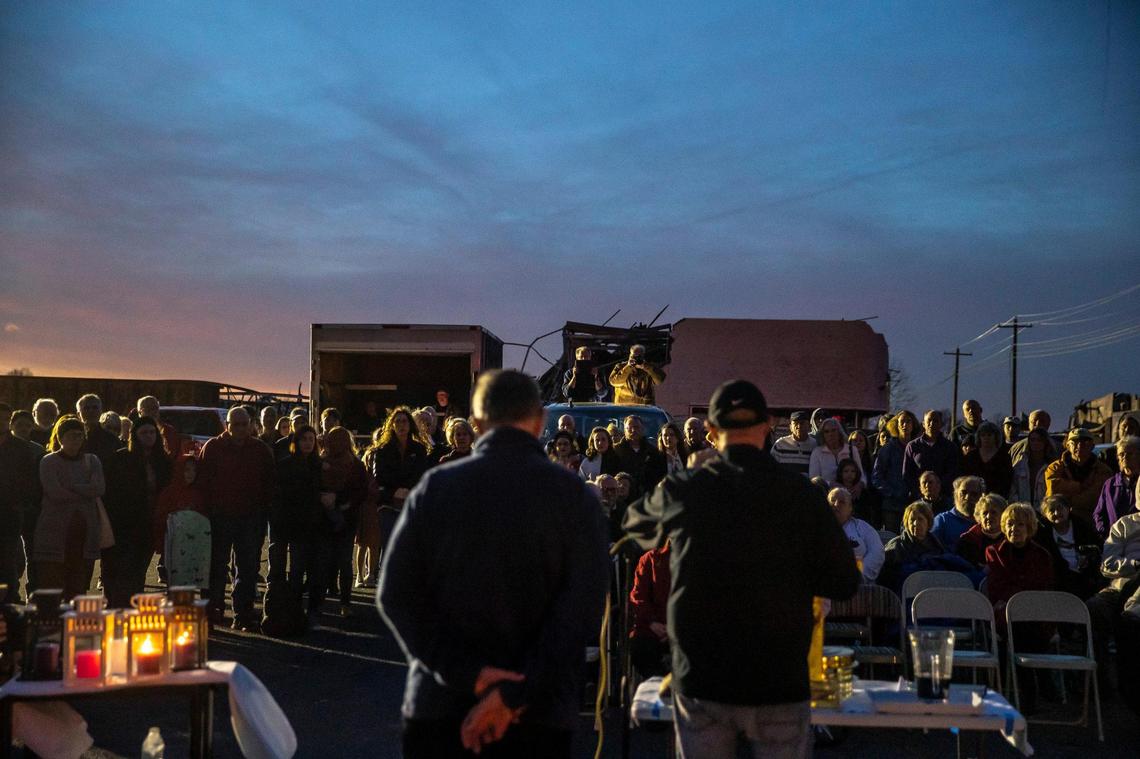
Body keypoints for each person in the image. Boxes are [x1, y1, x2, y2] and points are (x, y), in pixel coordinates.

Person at [623, 379, 860, 758]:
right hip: (779, 678)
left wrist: (686, 474)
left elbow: (635, 526)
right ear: (768, 425)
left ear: (712, 432)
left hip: (703, 678)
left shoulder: (689, 487)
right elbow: (845, 581)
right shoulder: (800, 494)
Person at [378, 370, 609, 758]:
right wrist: (515, 693)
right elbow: (582, 610)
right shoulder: (574, 498)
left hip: (441, 707)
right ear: (539, 422)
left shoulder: (435, 489)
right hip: (538, 715)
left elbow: (396, 594)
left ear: (476, 423)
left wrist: (466, 674)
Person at [197, 406, 275, 630]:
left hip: (249, 518)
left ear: (250, 424)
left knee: (247, 568)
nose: (240, 428)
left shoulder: (259, 449)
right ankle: (213, 611)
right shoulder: (213, 447)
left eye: (244, 424)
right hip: (219, 517)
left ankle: (242, 613)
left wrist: (263, 511)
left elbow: (270, 482)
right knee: (215, 567)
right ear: (227, 425)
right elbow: (203, 481)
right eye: (235, 424)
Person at [986, 502, 1055, 710]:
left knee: (1025, 628)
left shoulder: (1042, 556)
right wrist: (1019, 595)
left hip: (1035, 614)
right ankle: (1040, 683)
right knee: (1018, 627)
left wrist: (1020, 594)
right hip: (1006, 613)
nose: (1014, 529)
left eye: (1020, 525)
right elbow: (997, 586)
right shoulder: (994, 552)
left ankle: (1031, 690)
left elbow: (1041, 586)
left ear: (1030, 528)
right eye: (1010, 524)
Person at [101, 416, 172, 608]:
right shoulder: (120, 459)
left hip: (149, 524)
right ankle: (116, 609)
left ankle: (132, 609)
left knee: (138, 571)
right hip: (123, 524)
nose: (148, 436)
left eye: (152, 432)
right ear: (135, 435)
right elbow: (110, 492)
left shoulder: (163, 462)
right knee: (120, 570)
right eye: (143, 433)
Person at [35, 417, 105, 600]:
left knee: (79, 589)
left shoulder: (93, 460)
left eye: (80, 435)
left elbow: (99, 488)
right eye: (72, 435)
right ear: (61, 437)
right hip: (54, 535)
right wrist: (84, 490)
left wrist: (72, 486)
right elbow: (55, 492)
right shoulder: (48, 462)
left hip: (84, 536)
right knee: (53, 589)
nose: (76, 439)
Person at [1086, 480, 1140, 708]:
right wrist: (1134, 564)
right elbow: (1107, 564)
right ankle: (1100, 684)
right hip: (1123, 585)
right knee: (1093, 607)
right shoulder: (1125, 525)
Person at [273, 425, 324, 617]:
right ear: (296, 442)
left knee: (314, 572)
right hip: (295, 524)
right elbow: (286, 494)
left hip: (315, 525)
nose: (308, 443)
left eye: (311, 439)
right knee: (296, 570)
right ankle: (294, 612)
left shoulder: (319, 465)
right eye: (304, 439)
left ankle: (312, 611)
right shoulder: (286, 465)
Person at [317, 427, 368, 617]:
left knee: (341, 561)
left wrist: (337, 500)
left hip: (343, 517)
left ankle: (341, 601)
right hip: (330, 517)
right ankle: (333, 602)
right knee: (331, 561)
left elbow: (360, 490)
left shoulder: (352, 464)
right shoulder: (347, 463)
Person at [370, 407, 429, 564]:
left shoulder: (419, 449)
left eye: (404, 421)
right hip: (388, 502)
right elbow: (380, 475)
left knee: (409, 546)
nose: (401, 425)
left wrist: (407, 489)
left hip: (411, 502)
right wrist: (396, 490)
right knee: (390, 545)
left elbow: (421, 473)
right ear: (392, 425)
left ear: (410, 425)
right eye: (397, 422)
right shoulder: (382, 450)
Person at [1, 403, 41, 603]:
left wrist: (20, 502)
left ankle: (10, 596)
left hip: (10, 511)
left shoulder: (20, 447)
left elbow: (29, 480)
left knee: (8, 556)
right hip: (11, 508)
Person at [1035, 494, 1102, 599]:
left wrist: (1087, 559)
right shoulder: (1042, 533)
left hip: (1085, 577)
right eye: (1051, 510)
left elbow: (1096, 548)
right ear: (1045, 515)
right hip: (1059, 579)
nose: (1056, 513)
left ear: (1068, 509)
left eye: (1060, 508)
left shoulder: (1082, 526)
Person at [1045, 428, 1112, 528]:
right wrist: (1081, 487)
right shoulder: (1054, 468)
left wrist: (1068, 500)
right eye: (1075, 442)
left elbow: (1095, 497)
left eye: (1085, 442)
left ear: (1092, 446)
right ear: (1067, 445)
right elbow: (1053, 491)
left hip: (1091, 524)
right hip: (1059, 523)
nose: (1080, 445)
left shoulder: (1103, 470)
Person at [879, 501, 947, 593]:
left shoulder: (937, 546)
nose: (915, 523)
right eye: (912, 520)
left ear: (928, 523)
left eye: (920, 519)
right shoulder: (896, 546)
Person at [629, 541, 671, 677]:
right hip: (652, 629)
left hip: (683, 630)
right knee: (641, 648)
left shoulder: (695, 560)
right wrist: (652, 622)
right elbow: (638, 596)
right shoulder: (650, 559)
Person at [829, 487, 884, 582]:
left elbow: (877, 551)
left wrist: (858, 573)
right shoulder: (818, 528)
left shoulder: (863, 528)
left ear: (850, 508)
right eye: (832, 500)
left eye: (842, 502)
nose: (836, 504)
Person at [903, 409, 959, 501]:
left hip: (943, 499)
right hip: (918, 498)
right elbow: (907, 474)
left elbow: (953, 472)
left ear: (941, 424)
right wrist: (919, 491)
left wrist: (938, 489)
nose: (932, 423)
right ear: (923, 424)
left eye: (935, 421)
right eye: (929, 420)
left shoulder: (950, 447)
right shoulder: (913, 446)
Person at [872, 412, 913, 532]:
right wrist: (892, 492)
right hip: (892, 506)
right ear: (897, 425)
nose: (905, 425)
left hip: (913, 503)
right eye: (902, 422)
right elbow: (876, 477)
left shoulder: (917, 447)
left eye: (908, 421)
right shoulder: (888, 449)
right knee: (892, 539)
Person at [1093, 435, 1139, 538]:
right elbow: (1099, 513)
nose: (1125, 458)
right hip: (1115, 540)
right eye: (1121, 454)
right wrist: (1107, 533)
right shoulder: (1110, 484)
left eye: (1130, 454)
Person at [612, 415, 666, 499]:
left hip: (646, 497)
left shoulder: (652, 451)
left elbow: (658, 475)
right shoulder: (616, 450)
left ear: (642, 429)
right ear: (624, 430)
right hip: (622, 497)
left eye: (636, 427)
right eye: (629, 428)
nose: (633, 430)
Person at [930, 476, 985, 553]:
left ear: (981, 497)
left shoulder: (986, 522)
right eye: (963, 492)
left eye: (974, 494)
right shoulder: (942, 521)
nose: (967, 497)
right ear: (955, 494)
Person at [955, 493, 1007, 569]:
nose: (988, 517)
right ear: (979, 517)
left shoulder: (1011, 540)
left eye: (993, 512)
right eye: (985, 513)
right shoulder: (967, 541)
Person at [961, 421, 1013, 497]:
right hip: (972, 497)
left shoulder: (1004, 457)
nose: (986, 438)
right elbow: (964, 477)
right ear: (979, 437)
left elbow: (1007, 482)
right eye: (983, 435)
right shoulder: (971, 456)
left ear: (996, 437)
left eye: (989, 435)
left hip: (996, 498)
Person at [808, 418, 865, 487]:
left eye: (833, 430)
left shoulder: (852, 450)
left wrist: (860, 485)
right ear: (823, 435)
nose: (830, 434)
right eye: (827, 431)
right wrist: (831, 484)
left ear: (839, 432)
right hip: (826, 492)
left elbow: (861, 475)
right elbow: (814, 478)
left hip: (851, 492)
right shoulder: (817, 452)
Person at [1009, 427, 1050, 507]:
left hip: (1044, 511)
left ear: (1045, 442)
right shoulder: (1020, 465)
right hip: (1022, 510)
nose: (1035, 443)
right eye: (1032, 440)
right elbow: (1013, 490)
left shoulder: (1050, 466)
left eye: (1039, 440)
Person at [75, 394, 122, 465]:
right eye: (86, 408)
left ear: (101, 411)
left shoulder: (112, 440)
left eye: (95, 407)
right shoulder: (73, 438)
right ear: (78, 414)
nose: (91, 411)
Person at [771, 410, 816, 477]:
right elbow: (771, 468)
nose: (799, 426)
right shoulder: (780, 445)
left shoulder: (815, 445)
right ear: (790, 427)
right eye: (795, 423)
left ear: (809, 426)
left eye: (802, 423)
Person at [837, 457, 878, 526]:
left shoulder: (863, 492)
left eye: (853, 471)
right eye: (846, 471)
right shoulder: (837, 492)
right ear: (840, 473)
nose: (849, 474)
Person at [137, 396, 180, 460]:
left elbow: (172, 455)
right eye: (149, 409)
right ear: (140, 412)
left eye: (155, 408)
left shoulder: (168, 431)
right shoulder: (134, 431)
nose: (153, 412)